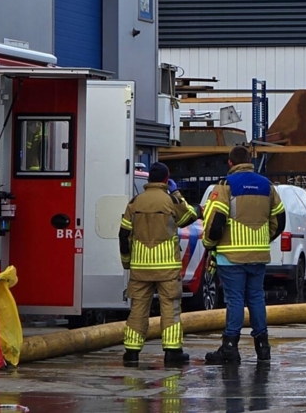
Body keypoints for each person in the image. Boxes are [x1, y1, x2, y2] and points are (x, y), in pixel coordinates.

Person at [202, 145, 286, 364]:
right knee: (256, 298)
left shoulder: (225, 186)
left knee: (235, 299)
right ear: (249, 161)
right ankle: (263, 347)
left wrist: (210, 244)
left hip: (231, 257)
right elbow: (280, 218)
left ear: (230, 163)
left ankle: (230, 347)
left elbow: (215, 221)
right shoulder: (267, 186)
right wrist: (264, 239)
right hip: (258, 255)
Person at [119, 162, 198, 366]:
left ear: (148, 180)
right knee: (170, 308)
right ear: (166, 179)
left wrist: (127, 263)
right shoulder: (171, 200)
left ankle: (132, 352)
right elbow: (190, 216)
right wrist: (177, 192)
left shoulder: (135, 202)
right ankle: (172, 352)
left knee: (138, 309)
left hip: (140, 267)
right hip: (167, 268)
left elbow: (123, 234)